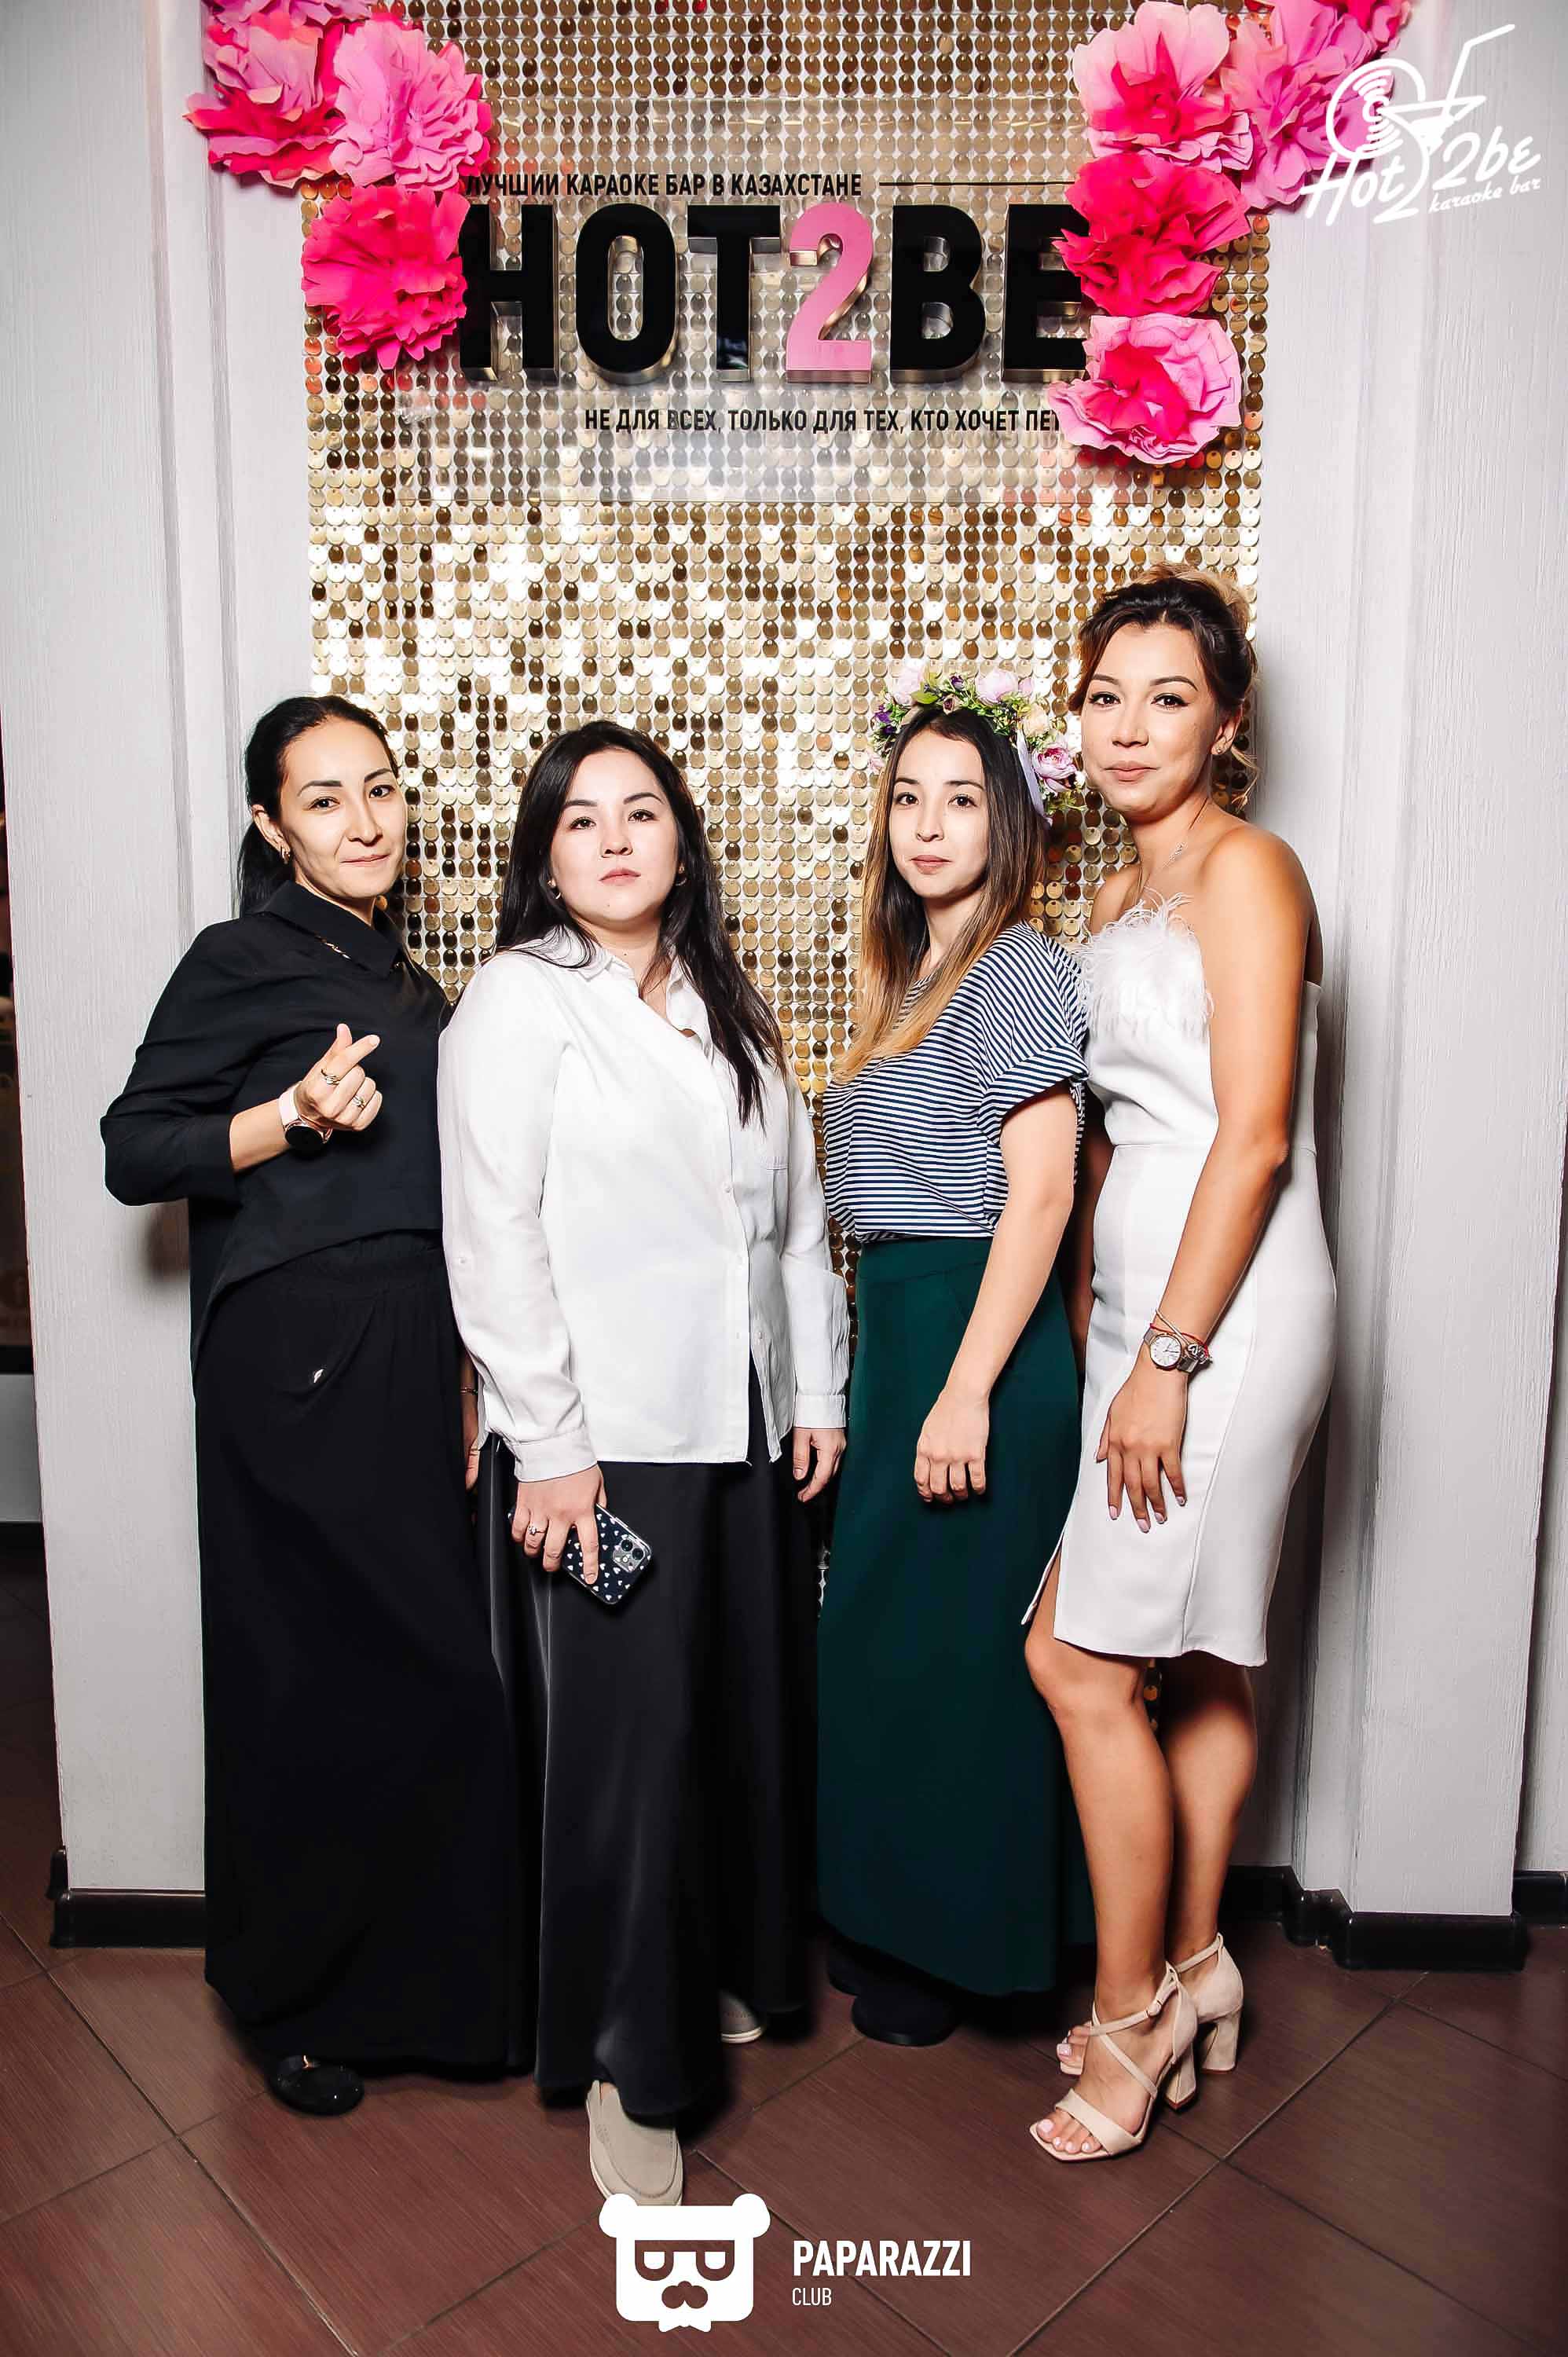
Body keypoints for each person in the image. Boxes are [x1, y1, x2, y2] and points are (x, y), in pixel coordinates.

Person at [437, 720, 848, 2207]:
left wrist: (818, 1390)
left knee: (732, 1715)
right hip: (607, 1445)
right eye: (581, 819)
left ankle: (714, 1965)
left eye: (643, 812)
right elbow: (494, 1232)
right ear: (546, 859)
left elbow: (791, 1222)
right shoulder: (518, 1000)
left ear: (682, 840)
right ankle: (626, 2056)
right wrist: (548, 1448)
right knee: (626, 1752)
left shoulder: (730, 1005)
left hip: (741, 1426)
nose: (615, 838)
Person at [101, 695, 515, 2117]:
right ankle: (301, 2004)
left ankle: (428, 1999)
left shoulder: (402, 974)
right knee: (310, 1673)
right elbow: (132, 1150)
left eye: (381, 788)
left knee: (416, 1670)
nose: (364, 819)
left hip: (410, 1340)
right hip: (299, 1355)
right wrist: (287, 1118)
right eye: (324, 798)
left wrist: (473, 1367)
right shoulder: (242, 958)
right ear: (272, 826)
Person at [1025, 567, 1336, 2163]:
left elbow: (1255, 1135)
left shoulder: (1248, 870)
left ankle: (1133, 2009)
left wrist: (1166, 1357)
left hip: (1226, 1311)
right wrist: (1100, 1311)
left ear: (1226, 724)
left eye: (1168, 698)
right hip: (1140, 1307)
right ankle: (1204, 1964)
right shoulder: (1110, 900)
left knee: (1079, 1664)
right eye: (1105, 697)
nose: (1130, 727)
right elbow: (1112, 1135)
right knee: (1202, 1655)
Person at [816, 690, 1091, 2047]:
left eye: (964, 799)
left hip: (978, 1337)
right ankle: (895, 1919)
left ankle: (972, 1950)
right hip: (903, 1335)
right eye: (909, 798)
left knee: (962, 1661)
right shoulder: (909, 982)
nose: (929, 825)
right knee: (894, 1640)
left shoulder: (1018, 964)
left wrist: (969, 1388)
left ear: (1008, 823)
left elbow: (1043, 1195)